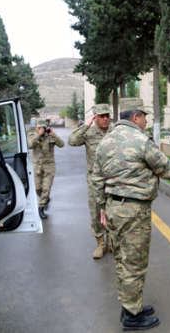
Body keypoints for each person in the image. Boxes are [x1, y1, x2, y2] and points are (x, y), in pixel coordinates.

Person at [92, 98, 170, 331]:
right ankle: (132, 316)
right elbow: (165, 167)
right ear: (135, 117)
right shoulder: (140, 140)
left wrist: (102, 207)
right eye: (144, 117)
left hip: (113, 208)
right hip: (133, 210)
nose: (146, 121)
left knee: (122, 259)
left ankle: (130, 304)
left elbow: (96, 179)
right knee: (134, 263)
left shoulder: (106, 141)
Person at [68, 104, 112, 259]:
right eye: (101, 116)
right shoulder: (89, 133)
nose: (105, 118)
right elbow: (72, 141)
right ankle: (100, 243)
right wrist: (85, 126)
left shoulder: (115, 131)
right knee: (96, 213)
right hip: (95, 181)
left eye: (107, 115)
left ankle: (111, 241)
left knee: (114, 211)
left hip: (115, 180)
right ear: (95, 117)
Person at [27, 119, 64, 219]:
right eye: (39, 128)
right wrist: (38, 135)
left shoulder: (50, 135)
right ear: (36, 128)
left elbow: (61, 144)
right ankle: (45, 199)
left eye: (43, 128)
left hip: (49, 166)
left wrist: (53, 134)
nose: (41, 130)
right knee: (37, 188)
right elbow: (30, 145)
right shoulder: (32, 135)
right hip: (37, 166)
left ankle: (41, 208)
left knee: (46, 188)